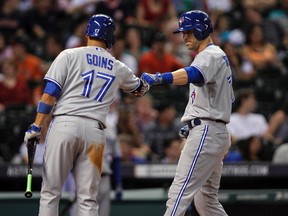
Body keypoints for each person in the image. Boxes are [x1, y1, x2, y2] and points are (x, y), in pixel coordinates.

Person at [23, 14, 149, 216]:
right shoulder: (118, 66)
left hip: (65, 125)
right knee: (88, 199)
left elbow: (49, 95)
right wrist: (149, 80)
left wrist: (37, 127)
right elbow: (140, 89)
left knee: (50, 192)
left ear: (88, 32)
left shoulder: (69, 55)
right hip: (95, 133)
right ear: (111, 38)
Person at [141, 10, 234, 216]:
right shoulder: (214, 56)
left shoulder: (211, 54)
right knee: (206, 202)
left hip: (208, 132)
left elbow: (193, 74)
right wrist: (194, 121)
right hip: (213, 130)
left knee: (179, 192)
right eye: (183, 32)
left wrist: (160, 78)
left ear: (202, 30)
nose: (184, 37)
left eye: (189, 32)